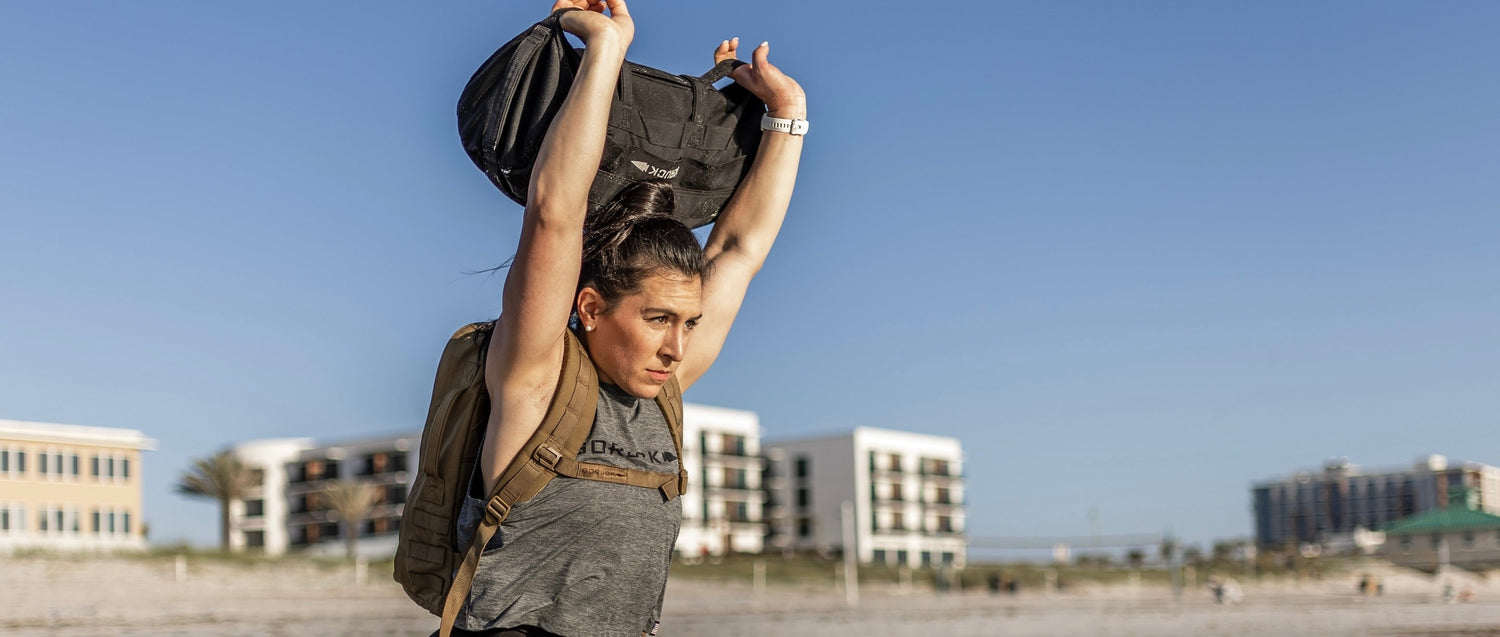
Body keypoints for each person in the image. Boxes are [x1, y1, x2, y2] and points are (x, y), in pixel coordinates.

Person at [447, 0, 805, 635]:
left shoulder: (664, 393)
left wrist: (787, 115)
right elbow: (557, 208)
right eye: (660, 318)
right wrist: (604, 53)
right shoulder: (535, 381)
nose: (677, 348)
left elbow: (738, 251)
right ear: (589, 308)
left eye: (689, 323)